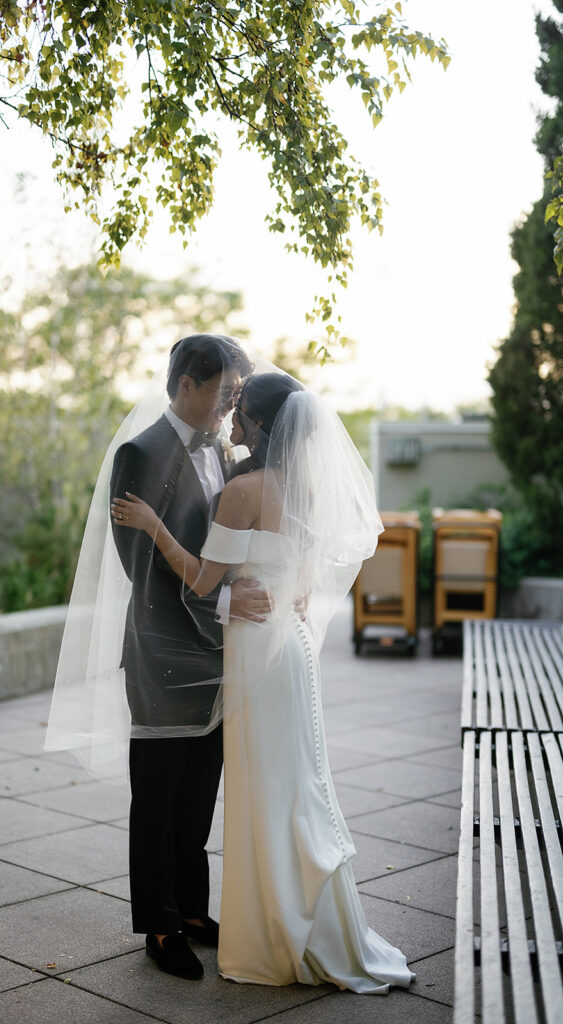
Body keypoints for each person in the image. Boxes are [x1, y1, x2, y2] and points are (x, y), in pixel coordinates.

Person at [111, 371, 416, 993]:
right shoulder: (307, 489)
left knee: (265, 791)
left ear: (260, 423)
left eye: (241, 406)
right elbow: (301, 581)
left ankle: (275, 932)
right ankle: (304, 922)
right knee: (294, 785)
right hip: (292, 649)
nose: (232, 414)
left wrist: (153, 525)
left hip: (255, 653)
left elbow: (201, 578)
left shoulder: (243, 487)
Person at [108, 334, 271, 982]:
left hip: (215, 651)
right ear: (187, 386)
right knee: (156, 795)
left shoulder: (221, 452)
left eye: (238, 394)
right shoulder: (140, 453)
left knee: (199, 790)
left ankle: (193, 911)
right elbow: (140, 570)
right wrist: (227, 603)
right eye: (226, 392)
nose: (233, 405)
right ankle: (158, 923)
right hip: (164, 653)